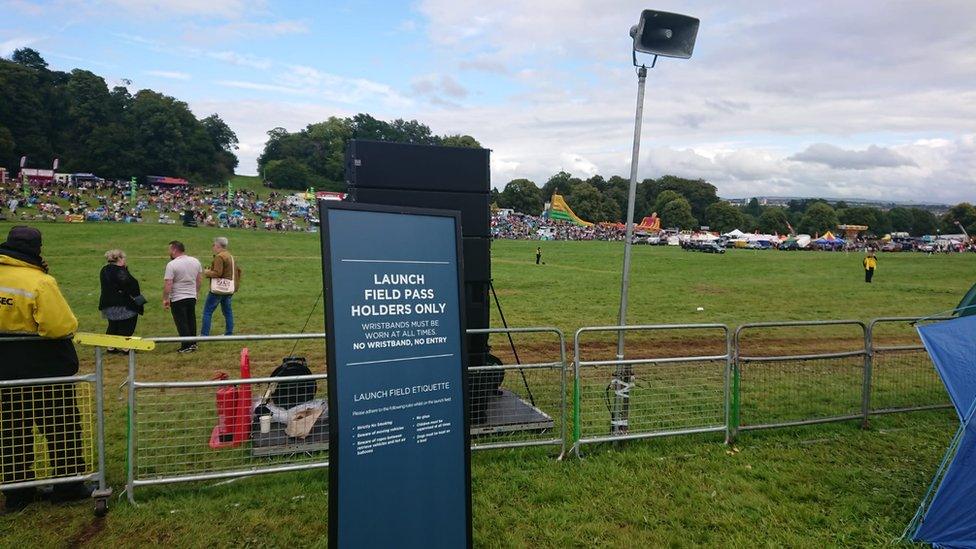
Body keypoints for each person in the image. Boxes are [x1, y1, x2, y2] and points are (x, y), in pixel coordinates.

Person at [0, 226, 91, 512]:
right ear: (37, 249)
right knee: (61, 427)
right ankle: (68, 485)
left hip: (5, 369)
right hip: (44, 370)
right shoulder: (40, 282)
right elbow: (60, 326)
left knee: (13, 430)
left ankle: (18, 491)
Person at [98, 249, 144, 347]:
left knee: (113, 325)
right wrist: (140, 302)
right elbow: (131, 284)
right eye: (124, 258)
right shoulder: (120, 271)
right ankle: (125, 347)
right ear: (120, 259)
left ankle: (111, 346)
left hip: (107, 304)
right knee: (127, 325)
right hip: (122, 305)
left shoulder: (104, 270)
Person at [163, 241, 202, 353]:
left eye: (170, 250)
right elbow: (199, 280)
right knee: (191, 320)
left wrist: (165, 298)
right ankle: (193, 343)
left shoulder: (172, 264)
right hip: (191, 296)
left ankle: (186, 345)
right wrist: (196, 292)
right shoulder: (195, 261)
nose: (169, 252)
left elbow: (168, 284)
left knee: (181, 322)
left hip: (178, 297)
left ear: (175, 250)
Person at [201, 236, 240, 336]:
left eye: (214, 245)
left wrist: (207, 272)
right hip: (229, 288)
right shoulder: (230, 256)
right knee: (227, 312)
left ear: (218, 246)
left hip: (218, 289)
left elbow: (217, 273)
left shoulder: (219, 257)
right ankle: (229, 333)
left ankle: (204, 335)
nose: (213, 247)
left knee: (207, 312)